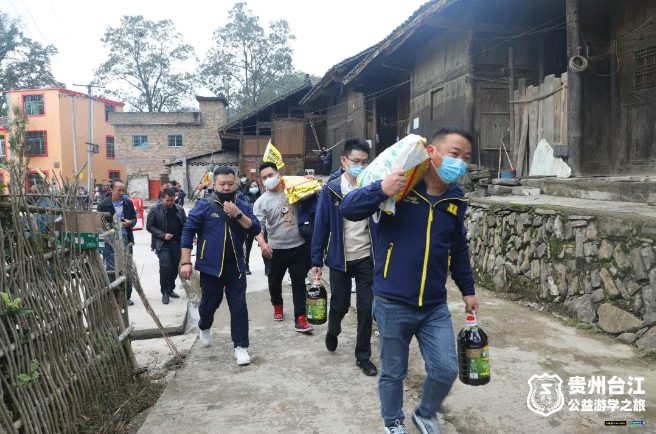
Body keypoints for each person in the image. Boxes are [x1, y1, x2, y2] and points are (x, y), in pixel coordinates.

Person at [340, 127, 480, 434]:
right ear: (432, 152)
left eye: (466, 158)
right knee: (393, 372)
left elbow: (458, 248)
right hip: (392, 301)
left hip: (433, 305)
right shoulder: (401, 189)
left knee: (446, 369)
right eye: (454, 154)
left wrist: (467, 290)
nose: (460, 163)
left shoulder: (455, 198)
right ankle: (393, 422)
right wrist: (381, 189)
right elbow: (348, 208)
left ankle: (425, 414)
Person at [180, 167, 261, 366]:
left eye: (230, 184)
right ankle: (204, 325)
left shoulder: (242, 204)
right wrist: (186, 262)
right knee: (210, 304)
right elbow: (188, 231)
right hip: (210, 267)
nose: (226, 187)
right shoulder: (204, 206)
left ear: (235, 184)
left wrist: (238, 214)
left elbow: (256, 228)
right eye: (222, 184)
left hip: (236, 267)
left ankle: (240, 347)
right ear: (214, 184)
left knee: (239, 307)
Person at [311, 138, 378, 377]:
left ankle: (363, 356)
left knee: (366, 308)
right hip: (339, 259)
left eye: (364, 161)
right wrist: (316, 260)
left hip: (366, 259)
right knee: (341, 305)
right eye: (356, 161)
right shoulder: (332, 189)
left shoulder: (371, 187)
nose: (360, 165)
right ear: (344, 161)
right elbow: (321, 225)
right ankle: (333, 328)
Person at [253, 162, 314, 333]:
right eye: (264, 177)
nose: (268, 179)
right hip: (275, 250)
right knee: (274, 282)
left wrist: (309, 182)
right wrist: (263, 244)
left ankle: (300, 319)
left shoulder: (292, 190)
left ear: (278, 174)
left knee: (299, 282)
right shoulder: (261, 202)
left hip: (298, 247)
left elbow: (311, 192)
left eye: (270, 175)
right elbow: (257, 227)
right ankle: (277, 305)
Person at [98, 180, 137, 306]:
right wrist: (115, 226)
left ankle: (127, 296)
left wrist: (130, 222)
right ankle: (114, 296)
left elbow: (134, 218)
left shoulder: (128, 203)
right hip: (110, 242)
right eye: (119, 190)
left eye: (123, 190)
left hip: (126, 240)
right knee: (111, 268)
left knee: (127, 267)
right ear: (111, 190)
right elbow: (100, 223)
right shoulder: (103, 205)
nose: (121, 192)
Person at [147, 188, 187, 304]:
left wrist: (192, 237)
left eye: (172, 200)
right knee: (165, 266)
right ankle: (164, 292)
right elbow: (149, 226)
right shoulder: (155, 209)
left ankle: (170, 289)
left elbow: (186, 225)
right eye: (167, 200)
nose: (169, 203)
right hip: (162, 244)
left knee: (174, 268)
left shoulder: (179, 209)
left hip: (176, 244)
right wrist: (163, 235)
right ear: (162, 198)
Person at [242, 180, 262, 275]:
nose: (254, 188)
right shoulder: (245, 198)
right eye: (252, 186)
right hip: (249, 225)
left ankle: (268, 267)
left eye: (256, 186)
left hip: (260, 225)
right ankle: (246, 265)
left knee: (263, 244)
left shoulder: (261, 198)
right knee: (247, 247)